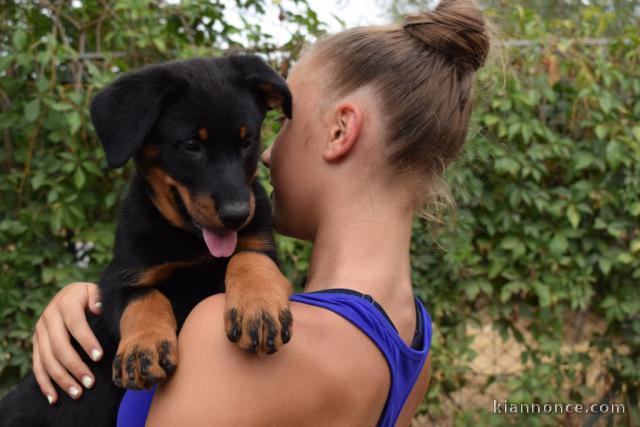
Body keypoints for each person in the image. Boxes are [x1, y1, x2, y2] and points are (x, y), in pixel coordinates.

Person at [29, 0, 490, 424]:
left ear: (339, 131)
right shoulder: (412, 344)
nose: (266, 156)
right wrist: (107, 303)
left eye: (284, 124)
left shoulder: (222, 334)